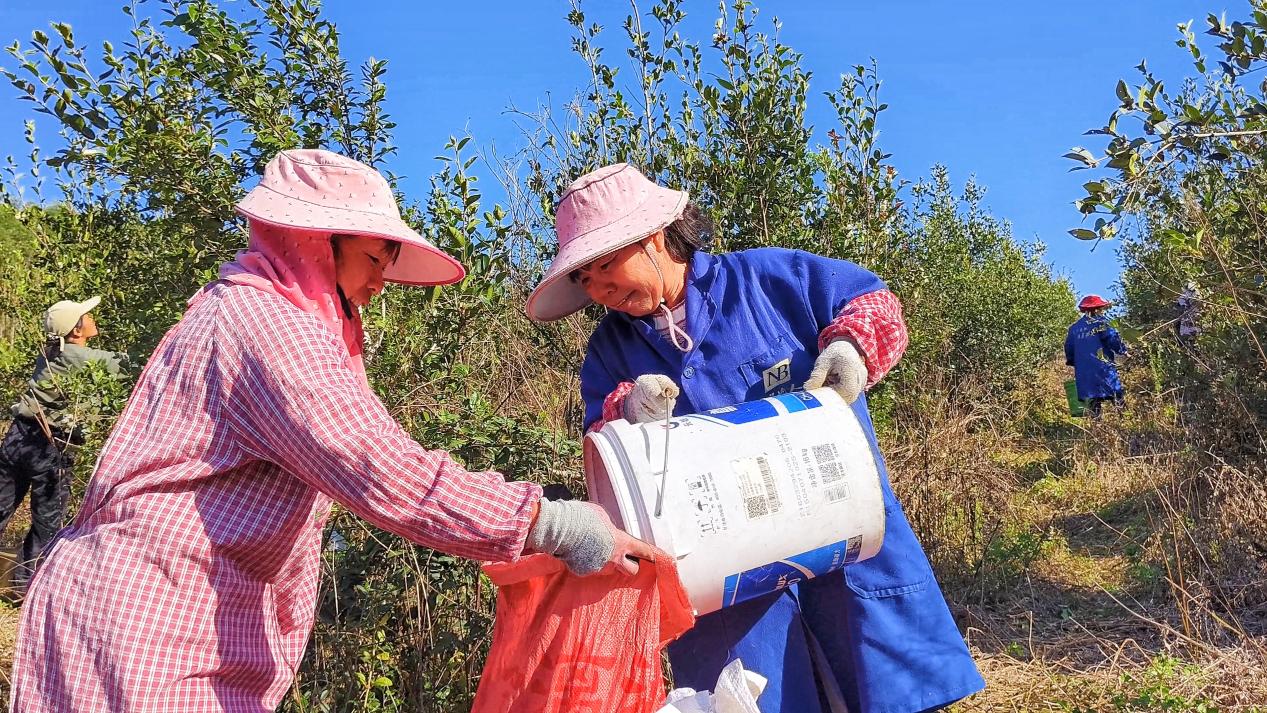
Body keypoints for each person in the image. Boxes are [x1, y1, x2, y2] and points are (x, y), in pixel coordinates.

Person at [10, 150, 652, 711]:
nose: (381, 280)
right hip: (148, 621)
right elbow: (384, 470)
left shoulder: (247, 311)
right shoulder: (269, 327)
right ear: (317, 245)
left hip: (173, 616)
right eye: (375, 256)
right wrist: (556, 524)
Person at [526, 163, 985, 713]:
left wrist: (850, 351)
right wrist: (628, 410)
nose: (600, 288)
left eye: (605, 265)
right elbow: (601, 445)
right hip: (722, 589)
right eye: (585, 280)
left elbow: (872, 305)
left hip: (844, 540)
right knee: (752, 695)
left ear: (653, 238)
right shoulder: (610, 350)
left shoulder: (767, 280)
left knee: (884, 688)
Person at [0, 297, 128, 593]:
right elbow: (131, 363)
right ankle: (24, 587)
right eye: (86, 315)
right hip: (50, 446)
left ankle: (22, 583)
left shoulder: (49, 353)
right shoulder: (83, 358)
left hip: (18, 437)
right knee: (47, 520)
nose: (92, 317)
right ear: (76, 330)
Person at [1065, 294, 1128, 418]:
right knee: (1115, 393)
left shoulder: (1074, 328)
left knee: (1092, 399)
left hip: (1084, 370)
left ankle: (1097, 426)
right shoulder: (1102, 324)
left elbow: (1069, 348)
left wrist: (1074, 362)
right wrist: (1123, 351)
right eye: (1101, 308)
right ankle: (1125, 420)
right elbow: (1113, 339)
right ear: (1097, 309)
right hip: (1103, 367)